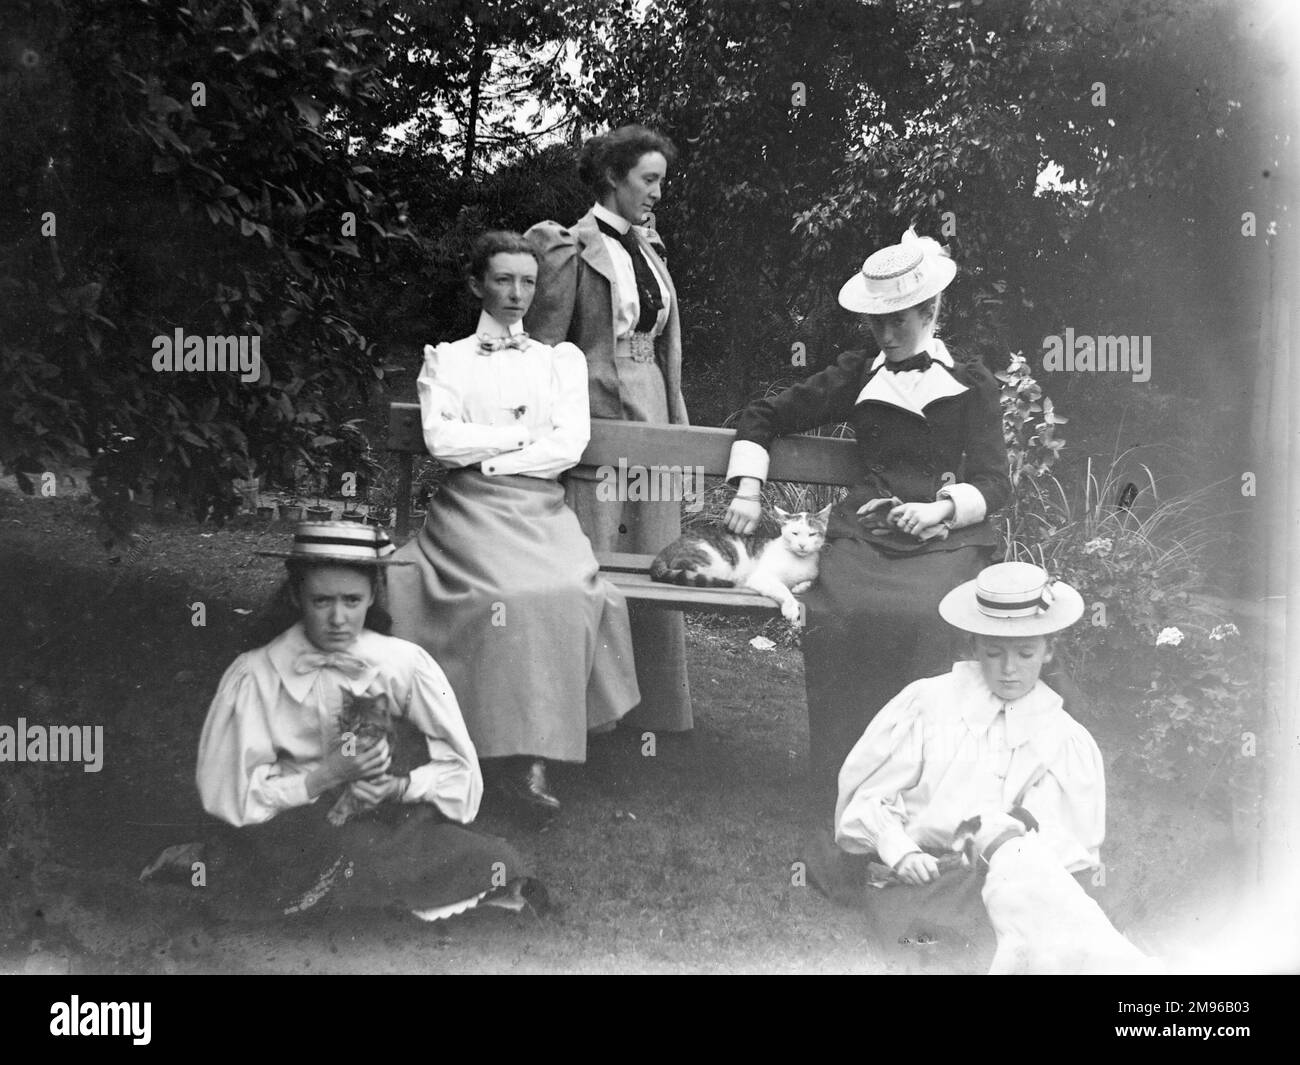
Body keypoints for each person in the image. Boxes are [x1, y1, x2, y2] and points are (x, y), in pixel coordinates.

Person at [723, 228, 1011, 808]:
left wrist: (942, 509)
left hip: (945, 539)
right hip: (866, 534)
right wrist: (749, 487)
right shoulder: (860, 373)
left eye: (899, 321)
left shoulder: (971, 384)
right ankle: (843, 789)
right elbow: (765, 412)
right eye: (878, 323)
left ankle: (917, 794)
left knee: (923, 616)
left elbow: (995, 482)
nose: (887, 334)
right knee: (840, 614)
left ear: (930, 311)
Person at [386, 231, 640, 818]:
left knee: (565, 590)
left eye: (528, 281)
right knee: (497, 594)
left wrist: (495, 452)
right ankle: (473, 751)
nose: (517, 293)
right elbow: (443, 442)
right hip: (469, 509)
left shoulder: (559, 362)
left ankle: (530, 757)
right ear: (478, 284)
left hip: (539, 508)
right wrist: (522, 436)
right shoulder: (445, 359)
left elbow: (567, 447)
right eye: (503, 280)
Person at [191, 521, 536, 922]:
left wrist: (400, 786)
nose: (338, 618)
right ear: (294, 594)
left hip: (380, 817)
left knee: (494, 859)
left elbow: (460, 768)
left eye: (352, 601)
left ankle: (360, 882)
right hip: (290, 821)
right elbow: (227, 792)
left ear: (373, 595)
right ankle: (357, 885)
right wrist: (321, 778)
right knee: (307, 853)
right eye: (321, 601)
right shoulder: (256, 674)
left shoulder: (403, 663)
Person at [817, 562, 1105, 970]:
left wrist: (1017, 864)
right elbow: (870, 796)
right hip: (929, 871)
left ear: (1049, 650)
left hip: (1012, 873)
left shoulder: (1060, 734)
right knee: (937, 948)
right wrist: (899, 851)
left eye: (1026, 654)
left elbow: (1063, 835)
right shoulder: (929, 704)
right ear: (973, 647)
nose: (1009, 669)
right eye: (994, 652)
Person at [524, 124, 693, 735]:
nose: (656, 194)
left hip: (655, 413)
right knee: (596, 561)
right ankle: (589, 719)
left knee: (655, 557)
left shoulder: (651, 250)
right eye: (648, 180)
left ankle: (654, 717)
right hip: (593, 419)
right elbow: (541, 347)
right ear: (611, 178)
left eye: (661, 182)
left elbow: (661, 346)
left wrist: (675, 416)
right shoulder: (568, 246)